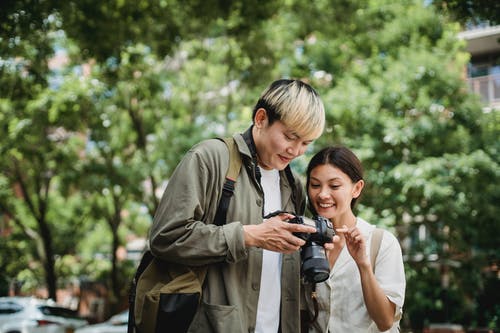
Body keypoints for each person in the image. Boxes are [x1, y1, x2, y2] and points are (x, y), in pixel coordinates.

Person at [148, 79, 326, 333]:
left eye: (306, 143)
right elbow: (166, 237)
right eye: (290, 137)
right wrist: (247, 235)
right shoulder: (210, 159)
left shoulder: (294, 185)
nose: (296, 151)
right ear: (261, 118)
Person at [301, 146, 406, 333]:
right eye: (315, 185)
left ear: (356, 188)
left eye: (334, 186)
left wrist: (363, 264)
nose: (323, 194)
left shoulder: (381, 243)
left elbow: (385, 321)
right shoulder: (301, 241)